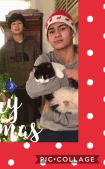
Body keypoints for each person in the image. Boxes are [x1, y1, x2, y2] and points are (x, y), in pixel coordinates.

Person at [26, 10, 78, 142]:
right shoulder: (44, 60)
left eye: (62, 28)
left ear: (73, 32)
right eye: (52, 31)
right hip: (51, 128)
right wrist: (68, 75)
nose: (57, 34)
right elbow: (32, 90)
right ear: (48, 39)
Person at [0, 13, 41, 130]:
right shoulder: (5, 48)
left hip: (31, 90)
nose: (16, 26)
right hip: (13, 90)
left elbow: (39, 68)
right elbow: (1, 72)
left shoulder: (33, 45)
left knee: (31, 126)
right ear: (10, 27)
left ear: (24, 26)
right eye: (13, 23)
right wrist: (8, 91)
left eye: (19, 23)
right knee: (14, 125)